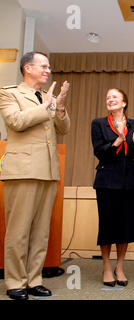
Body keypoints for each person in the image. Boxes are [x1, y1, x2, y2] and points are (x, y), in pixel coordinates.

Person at [0, 51, 70, 300]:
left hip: (48, 171)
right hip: (23, 171)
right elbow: (16, 121)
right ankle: (15, 282)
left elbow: (63, 129)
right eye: (43, 66)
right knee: (18, 231)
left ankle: (34, 279)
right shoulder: (9, 93)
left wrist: (59, 107)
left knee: (41, 232)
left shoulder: (47, 98)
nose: (47, 70)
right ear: (27, 68)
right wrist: (47, 105)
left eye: (49, 66)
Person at [91, 88, 134, 287]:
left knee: (126, 225)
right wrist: (117, 141)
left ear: (124, 102)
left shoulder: (133, 124)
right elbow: (100, 152)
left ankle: (120, 267)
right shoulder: (98, 124)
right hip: (106, 180)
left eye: (114, 97)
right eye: (108, 97)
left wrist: (133, 140)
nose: (110, 99)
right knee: (107, 225)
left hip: (128, 181)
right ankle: (107, 266)